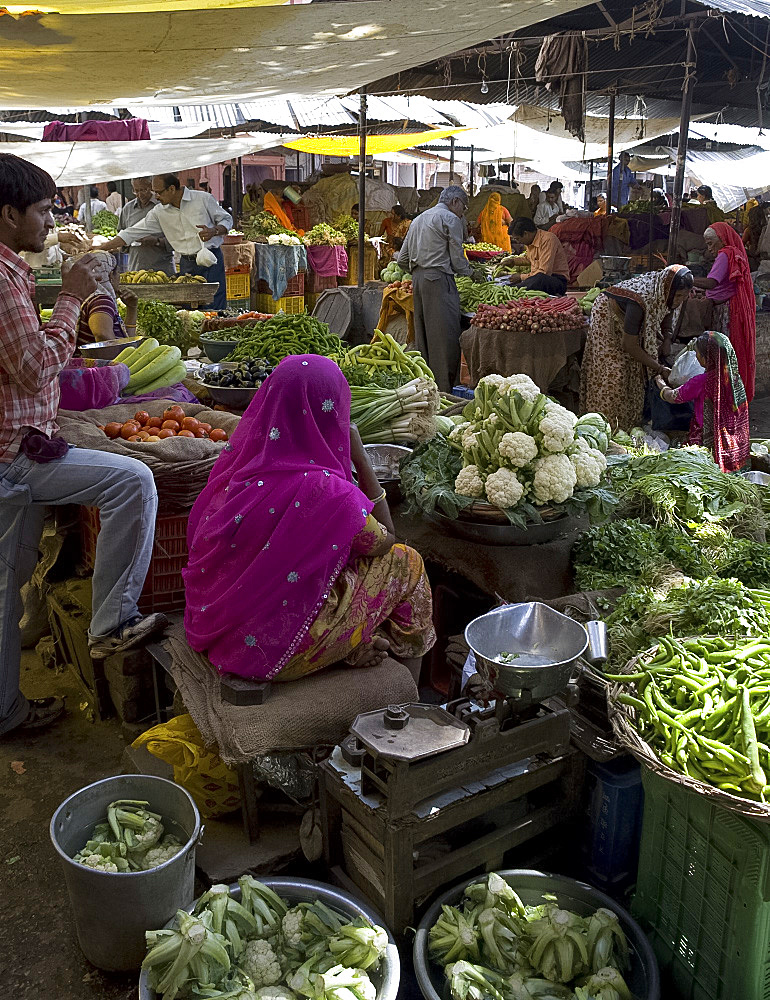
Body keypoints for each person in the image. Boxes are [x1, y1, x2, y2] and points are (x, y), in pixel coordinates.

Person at [0, 154, 167, 736]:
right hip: (14, 456)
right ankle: (112, 622)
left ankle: (8, 705)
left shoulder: (11, 273)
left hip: (20, 448)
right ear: (8, 213)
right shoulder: (3, 279)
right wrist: (72, 296)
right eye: (43, 210)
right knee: (133, 480)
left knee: (9, 574)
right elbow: (36, 366)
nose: (50, 221)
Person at [183, 355, 435, 684]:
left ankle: (353, 645)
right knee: (408, 562)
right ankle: (407, 693)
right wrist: (357, 453)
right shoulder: (326, 491)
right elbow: (386, 539)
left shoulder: (240, 474)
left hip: (215, 628)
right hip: (270, 651)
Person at [579, 265, 694, 430]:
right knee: (615, 373)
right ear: (668, 290)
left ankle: (630, 424)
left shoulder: (667, 292)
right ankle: (607, 427)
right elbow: (629, 345)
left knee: (634, 370)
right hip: (608, 317)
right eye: (678, 295)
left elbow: (668, 309)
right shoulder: (640, 300)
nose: (679, 300)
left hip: (631, 323)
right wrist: (659, 368)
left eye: (684, 296)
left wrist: (667, 339)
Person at [99, 173, 233, 310]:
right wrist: (103, 247)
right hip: (187, 264)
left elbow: (227, 220)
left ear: (172, 189)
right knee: (189, 309)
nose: (156, 196)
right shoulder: (159, 212)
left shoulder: (202, 199)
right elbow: (131, 232)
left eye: (158, 192)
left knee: (215, 306)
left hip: (212, 260)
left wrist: (214, 231)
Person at [397, 185, 479, 392]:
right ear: (455, 202)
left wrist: (419, 271)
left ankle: (425, 383)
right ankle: (445, 387)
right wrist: (471, 273)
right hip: (438, 279)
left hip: (418, 280)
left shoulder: (418, 219)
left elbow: (403, 258)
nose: (463, 212)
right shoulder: (449, 218)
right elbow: (458, 258)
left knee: (424, 334)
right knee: (445, 334)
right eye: (464, 207)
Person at [656, 331, 749, 473]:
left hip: (706, 440)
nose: (696, 357)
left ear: (707, 358)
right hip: (733, 444)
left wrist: (661, 383)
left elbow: (673, 397)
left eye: (698, 354)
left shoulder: (702, 382)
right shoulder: (735, 379)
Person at [692, 222, 756, 401]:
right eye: (707, 244)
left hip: (726, 311)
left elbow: (713, 282)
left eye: (711, 243)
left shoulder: (725, 254)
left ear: (722, 240)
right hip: (728, 306)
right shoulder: (731, 254)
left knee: (723, 354)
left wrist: (687, 277)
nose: (709, 249)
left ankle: (724, 395)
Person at [64, 251, 138, 345]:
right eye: (118, 273)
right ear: (110, 275)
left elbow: (126, 341)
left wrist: (132, 309)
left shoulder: (88, 297)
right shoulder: (101, 301)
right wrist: (116, 356)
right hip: (98, 359)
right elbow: (103, 335)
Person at [119, 177, 175, 276]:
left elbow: (177, 239)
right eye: (136, 191)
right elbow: (120, 234)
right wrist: (127, 242)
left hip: (161, 270)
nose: (140, 194)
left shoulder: (164, 206)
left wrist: (157, 242)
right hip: (135, 270)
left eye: (143, 189)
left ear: (151, 187)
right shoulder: (127, 209)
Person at [504, 217, 570, 295]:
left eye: (518, 239)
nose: (518, 242)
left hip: (555, 280)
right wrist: (513, 261)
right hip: (537, 278)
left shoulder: (548, 240)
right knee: (515, 285)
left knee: (539, 279)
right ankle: (511, 289)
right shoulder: (530, 242)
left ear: (526, 233)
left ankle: (513, 289)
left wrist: (521, 277)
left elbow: (544, 272)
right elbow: (529, 259)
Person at [743, 203, 767, 272]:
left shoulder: (749, 230)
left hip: (753, 255)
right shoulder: (765, 228)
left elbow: (741, 244)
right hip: (763, 256)